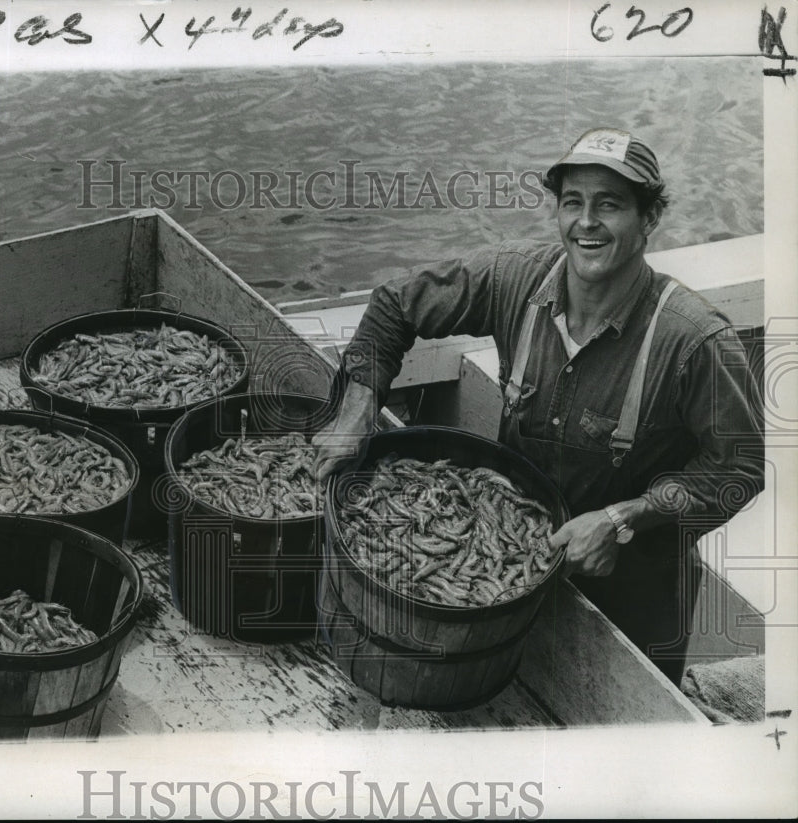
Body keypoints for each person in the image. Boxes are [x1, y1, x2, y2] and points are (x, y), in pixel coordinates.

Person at [313, 127, 764, 687]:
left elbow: (738, 469)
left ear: (649, 219)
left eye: (610, 205)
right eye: (572, 202)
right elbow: (394, 305)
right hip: (502, 569)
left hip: (631, 596)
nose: (587, 222)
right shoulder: (515, 278)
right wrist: (356, 413)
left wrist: (622, 519)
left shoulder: (693, 340)